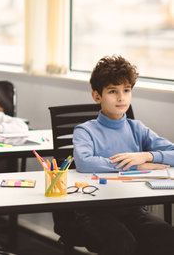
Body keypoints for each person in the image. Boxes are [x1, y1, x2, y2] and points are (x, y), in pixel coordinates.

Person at [68, 55, 174, 255]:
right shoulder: (85, 130)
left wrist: (146, 157)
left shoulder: (137, 128)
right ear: (97, 96)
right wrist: (135, 165)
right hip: (94, 211)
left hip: (132, 209)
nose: (121, 97)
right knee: (121, 243)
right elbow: (84, 162)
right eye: (112, 91)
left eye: (126, 90)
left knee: (166, 235)